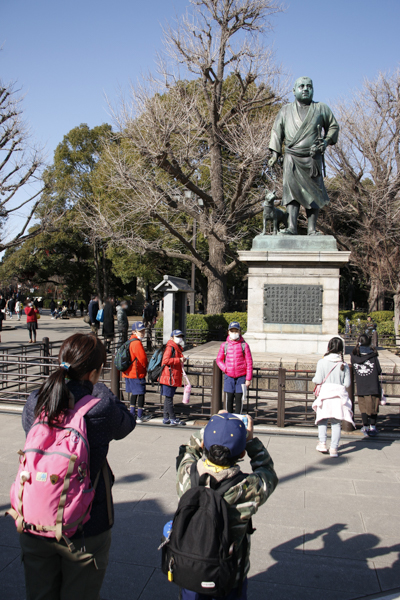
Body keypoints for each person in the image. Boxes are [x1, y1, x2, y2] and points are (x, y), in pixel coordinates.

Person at [20, 333, 135, 600]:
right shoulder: (101, 408)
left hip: (34, 520)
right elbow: (127, 423)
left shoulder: (36, 402)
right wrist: (100, 387)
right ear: (94, 372)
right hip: (86, 525)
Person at [176, 411, 278, 600]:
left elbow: (188, 451)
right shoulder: (248, 488)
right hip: (230, 572)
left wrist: (212, 426)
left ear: (205, 444)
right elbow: (268, 472)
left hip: (190, 568)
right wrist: (250, 440)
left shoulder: (187, 475)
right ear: (242, 454)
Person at [268, 76, 339, 235]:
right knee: (291, 192)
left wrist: (326, 142)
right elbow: (276, 132)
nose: (305, 89)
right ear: (294, 91)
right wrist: (275, 153)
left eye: (309, 86)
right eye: (301, 86)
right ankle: (291, 227)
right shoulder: (285, 110)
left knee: (314, 193)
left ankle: (312, 229)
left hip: (313, 157)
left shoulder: (321, 108)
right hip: (292, 156)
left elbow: (333, 127)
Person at [312, 337, 354, 457]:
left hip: (325, 394)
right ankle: (334, 448)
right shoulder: (343, 365)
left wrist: (314, 379)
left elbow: (318, 379)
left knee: (322, 420)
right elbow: (347, 384)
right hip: (338, 396)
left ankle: (322, 443)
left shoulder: (322, 362)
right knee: (336, 423)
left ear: (328, 347)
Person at [216, 322, 253, 414]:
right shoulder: (224, 345)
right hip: (229, 376)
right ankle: (229, 418)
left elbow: (249, 362)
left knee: (239, 399)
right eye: (232, 331)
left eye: (236, 331)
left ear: (239, 332)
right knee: (229, 399)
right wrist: (225, 368)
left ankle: (238, 418)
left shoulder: (244, 345)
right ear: (228, 332)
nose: (234, 333)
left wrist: (248, 379)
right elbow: (219, 360)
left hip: (241, 376)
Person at [351, 334, 382, 437]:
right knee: (373, 407)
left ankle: (365, 426)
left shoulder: (354, 356)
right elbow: (378, 370)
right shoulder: (373, 356)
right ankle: (372, 426)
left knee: (363, 407)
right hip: (373, 386)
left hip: (361, 385)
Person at [159, 329, 187, 426]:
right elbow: (166, 360)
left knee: (168, 398)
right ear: (172, 337)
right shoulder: (170, 347)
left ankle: (166, 418)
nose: (180, 338)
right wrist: (179, 360)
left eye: (181, 336)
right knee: (169, 398)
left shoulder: (175, 347)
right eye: (177, 336)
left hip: (171, 376)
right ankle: (172, 418)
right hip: (169, 376)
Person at [122, 322, 149, 422]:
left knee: (134, 394)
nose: (143, 333)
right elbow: (143, 359)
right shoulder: (136, 343)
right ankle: (140, 416)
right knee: (141, 394)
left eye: (143, 330)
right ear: (134, 331)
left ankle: (132, 414)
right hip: (137, 373)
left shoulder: (129, 341)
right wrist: (147, 367)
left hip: (129, 373)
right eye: (140, 331)